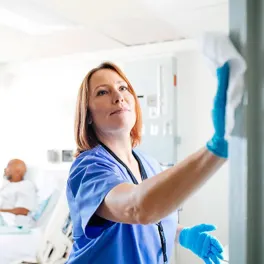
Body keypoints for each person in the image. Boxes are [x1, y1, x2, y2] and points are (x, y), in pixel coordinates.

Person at [66, 61, 230, 264]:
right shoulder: (88, 168)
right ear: (88, 115)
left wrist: (182, 234)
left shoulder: (149, 163)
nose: (118, 97)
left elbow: (151, 220)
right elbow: (137, 208)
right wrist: (214, 151)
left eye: (122, 88)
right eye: (102, 92)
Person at [0, 159, 37, 227]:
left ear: (18, 171)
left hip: (8, 221)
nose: (5, 169)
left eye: (8, 167)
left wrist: (1, 210)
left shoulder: (26, 185)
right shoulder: (7, 185)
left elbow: (23, 210)